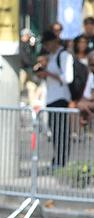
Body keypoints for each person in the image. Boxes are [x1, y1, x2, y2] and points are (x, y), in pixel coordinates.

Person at [38, 30, 74, 167]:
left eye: (47, 44)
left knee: (61, 132)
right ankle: (57, 159)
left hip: (61, 98)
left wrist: (49, 74)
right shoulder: (52, 56)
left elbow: (68, 78)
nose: (46, 47)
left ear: (54, 42)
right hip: (51, 98)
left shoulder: (64, 55)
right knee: (54, 131)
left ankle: (62, 160)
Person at [78, 54, 94, 125]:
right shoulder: (91, 76)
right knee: (80, 104)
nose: (92, 67)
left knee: (81, 105)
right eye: (91, 65)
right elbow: (87, 95)